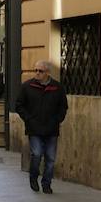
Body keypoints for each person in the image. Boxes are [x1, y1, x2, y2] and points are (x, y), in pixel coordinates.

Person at [15, 60, 68, 194]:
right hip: (34, 128)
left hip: (51, 129)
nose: (37, 73)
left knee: (50, 158)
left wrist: (57, 119)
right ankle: (33, 178)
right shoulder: (27, 86)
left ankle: (46, 183)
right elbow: (19, 105)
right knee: (37, 154)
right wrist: (28, 119)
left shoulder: (57, 88)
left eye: (41, 71)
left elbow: (63, 107)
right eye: (36, 70)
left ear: (47, 73)